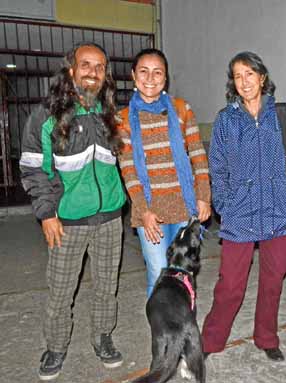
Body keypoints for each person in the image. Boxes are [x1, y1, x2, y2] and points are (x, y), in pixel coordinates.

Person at [20, 42, 127, 380]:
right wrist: (47, 213)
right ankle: (55, 346)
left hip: (110, 218)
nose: (93, 72)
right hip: (66, 221)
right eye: (86, 65)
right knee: (62, 290)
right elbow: (34, 168)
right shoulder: (47, 115)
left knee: (106, 286)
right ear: (71, 70)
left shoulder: (111, 113)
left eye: (99, 67)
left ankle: (102, 337)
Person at [202, 51, 286, 362]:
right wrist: (224, 203)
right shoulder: (226, 119)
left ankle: (266, 337)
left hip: (279, 211)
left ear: (262, 77)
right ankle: (210, 340)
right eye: (238, 75)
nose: (245, 81)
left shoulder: (283, 115)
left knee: (273, 280)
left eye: (250, 74)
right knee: (231, 285)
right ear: (232, 83)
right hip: (239, 212)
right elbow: (217, 166)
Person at [117, 48, 211, 298]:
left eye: (157, 72)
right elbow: (128, 170)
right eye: (144, 72)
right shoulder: (123, 119)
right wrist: (143, 211)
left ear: (165, 77)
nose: (150, 78)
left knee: (182, 273)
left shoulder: (181, 109)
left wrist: (203, 197)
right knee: (158, 273)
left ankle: (182, 330)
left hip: (183, 204)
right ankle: (160, 335)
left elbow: (198, 154)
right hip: (149, 210)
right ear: (133, 76)